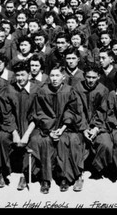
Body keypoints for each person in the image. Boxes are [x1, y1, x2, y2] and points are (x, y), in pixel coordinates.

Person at [27, 65, 83, 193]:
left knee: (64, 141)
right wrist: (49, 130)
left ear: (63, 77)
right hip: (46, 128)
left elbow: (72, 111)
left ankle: (64, 178)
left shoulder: (69, 91)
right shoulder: (43, 91)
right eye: (52, 75)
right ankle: (46, 179)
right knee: (45, 142)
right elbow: (39, 112)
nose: (54, 78)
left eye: (57, 75)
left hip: (66, 127)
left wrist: (62, 128)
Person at [0, 61, 39, 189]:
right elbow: (7, 114)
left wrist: (26, 134)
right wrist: (14, 132)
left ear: (29, 74)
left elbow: (37, 114)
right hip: (12, 125)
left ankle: (26, 174)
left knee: (35, 139)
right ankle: (4, 173)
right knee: (3, 138)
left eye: (23, 75)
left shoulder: (37, 90)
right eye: (18, 75)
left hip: (31, 125)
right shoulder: (9, 89)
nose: (20, 78)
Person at [74, 64, 113, 185]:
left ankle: (97, 167)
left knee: (106, 143)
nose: (90, 80)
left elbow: (103, 111)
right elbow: (77, 110)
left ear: (99, 77)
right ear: (84, 76)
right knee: (75, 142)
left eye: (94, 77)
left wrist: (96, 128)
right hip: (80, 125)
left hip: (99, 126)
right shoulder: (77, 88)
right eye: (88, 77)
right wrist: (84, 128)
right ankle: (77, 173)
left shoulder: (103, 90)